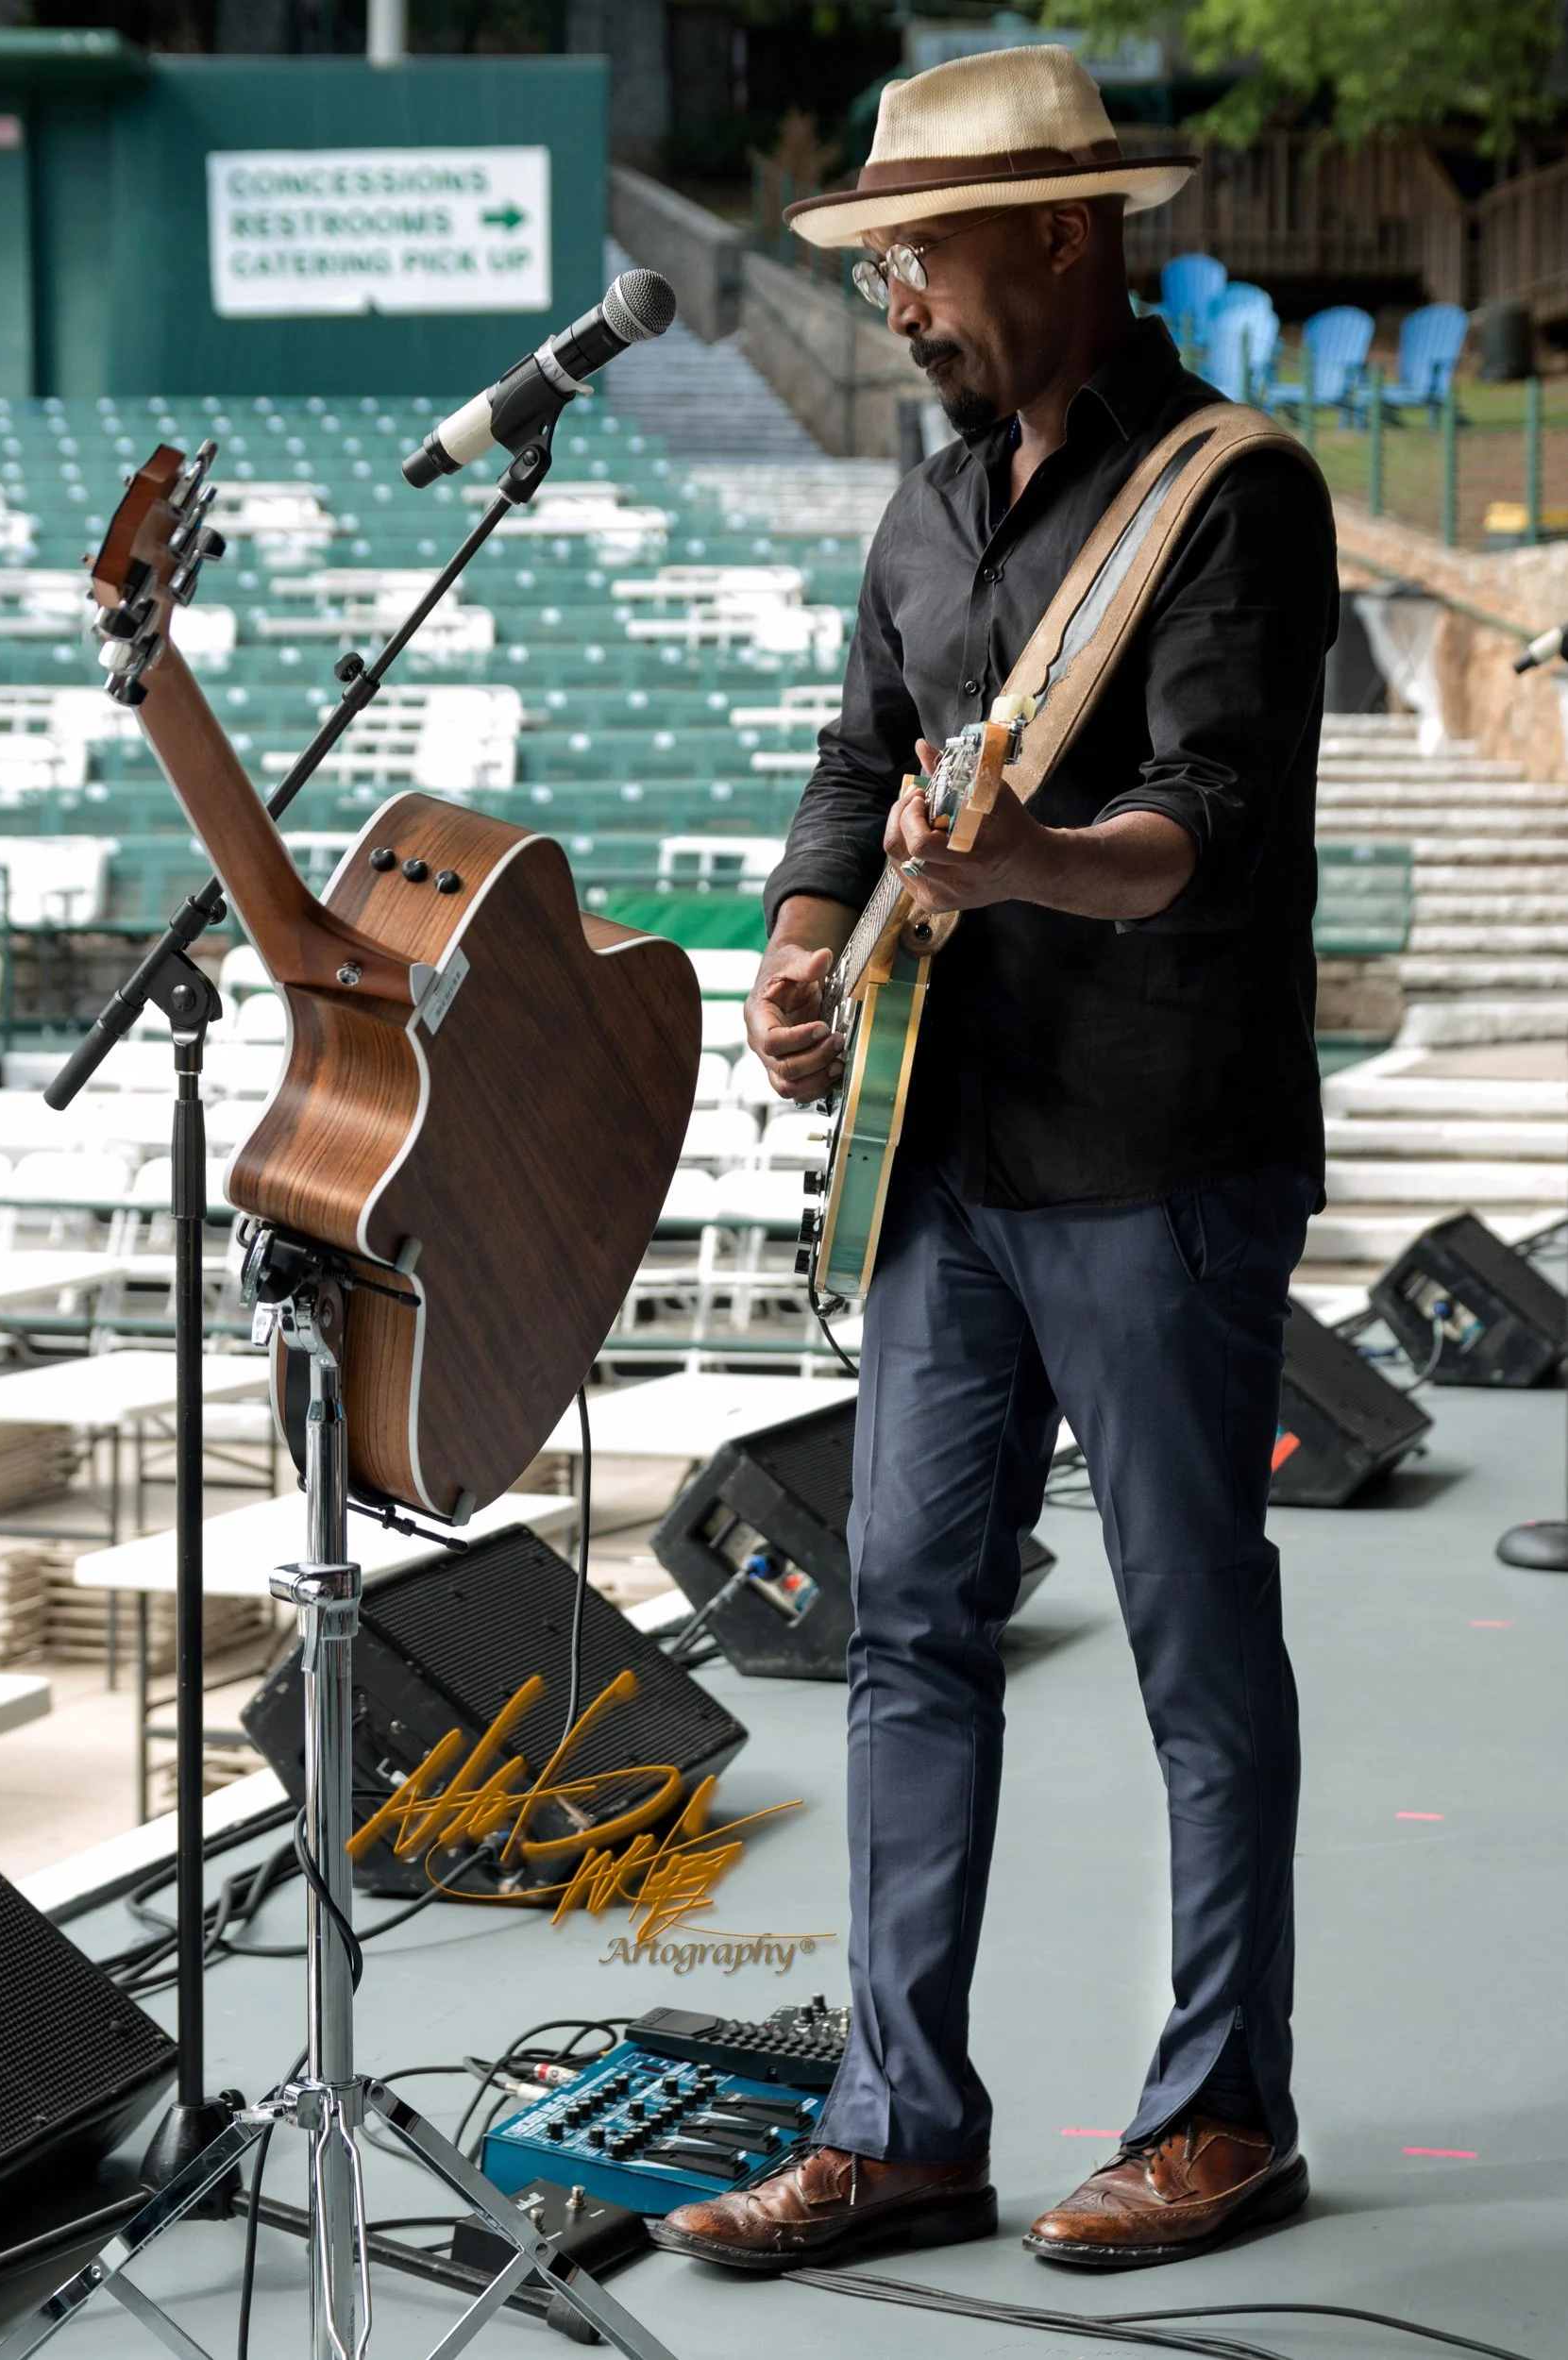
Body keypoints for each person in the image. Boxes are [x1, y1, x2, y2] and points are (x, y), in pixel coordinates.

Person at [649, 42, 1337, 2277]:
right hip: (940, 1157)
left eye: (918, 253)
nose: (894, 297)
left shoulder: (1232, 494)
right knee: (905, 1626)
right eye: (877, 261)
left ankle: (1220, 2110)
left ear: (1060, 232)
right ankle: (900, 2123)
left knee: (1190, 1636)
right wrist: (797, 947)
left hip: (1158, 1157)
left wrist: (1032, 855)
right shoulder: (922, 508)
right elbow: (850, 773)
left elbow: (1211, 827)